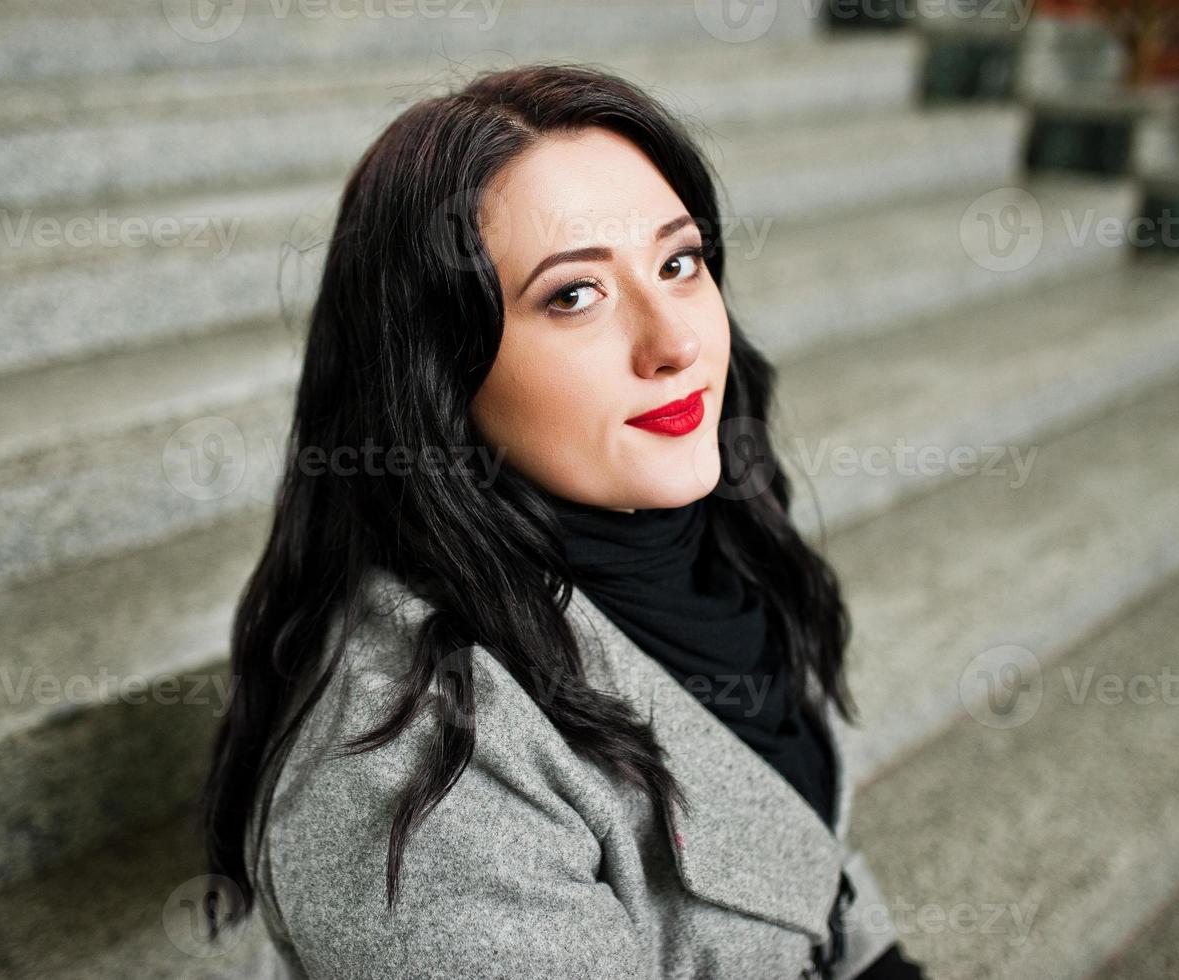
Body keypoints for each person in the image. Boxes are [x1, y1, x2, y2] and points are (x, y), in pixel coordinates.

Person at [201, 61, 928, 979]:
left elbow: (816, 873)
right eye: (573, 295)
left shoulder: (707, 542)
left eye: (679, 261)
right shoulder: (417, 776)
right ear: (437, 374)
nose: (675, 343)